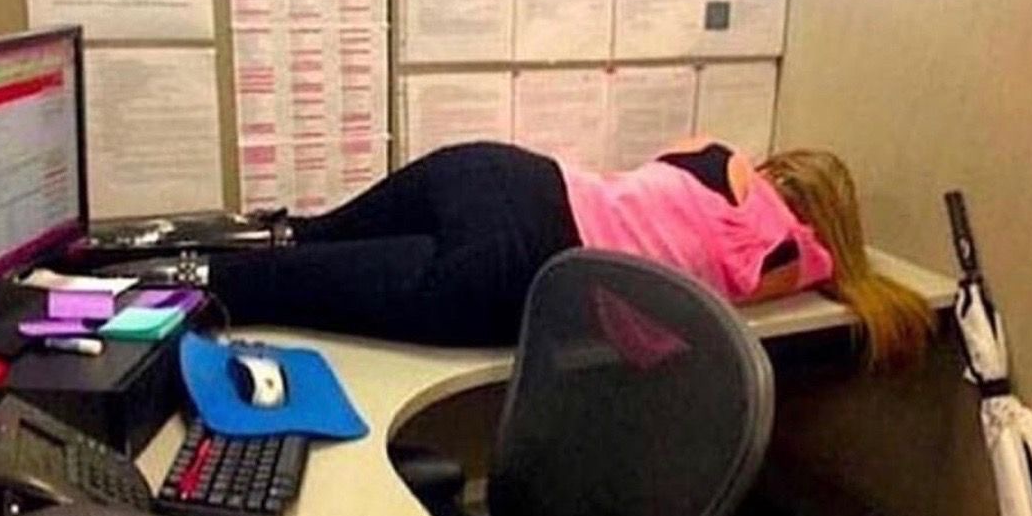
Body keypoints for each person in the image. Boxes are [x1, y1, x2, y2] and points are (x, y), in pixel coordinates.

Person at [166, 140, 933, 368]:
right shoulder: (787, 259)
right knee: (268, 288)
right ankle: (115, 303)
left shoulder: (715, 155)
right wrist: (840, 262)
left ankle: (90, 263)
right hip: (522, 261)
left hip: (497, 171)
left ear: (774, 169)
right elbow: (709, 304)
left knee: (297, 237)